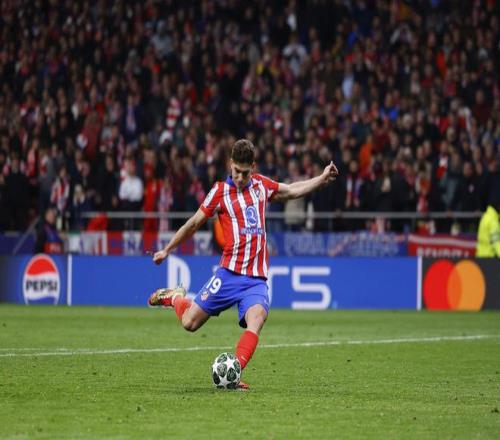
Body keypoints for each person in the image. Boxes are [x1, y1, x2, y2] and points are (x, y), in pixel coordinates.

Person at [148, 139, 338, 390]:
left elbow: (292, 190)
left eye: (245, 173)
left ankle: (233, 373)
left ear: (253, 168)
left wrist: (321, 179)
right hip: (228, 274)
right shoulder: (219, 192)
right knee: (189, 323)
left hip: (255, 280)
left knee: (256, 319)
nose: (240, 177)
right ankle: (174, 297)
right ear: (230, 164)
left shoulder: (261, 186)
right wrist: (167, 249)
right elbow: (193, 223)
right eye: (236, 171)